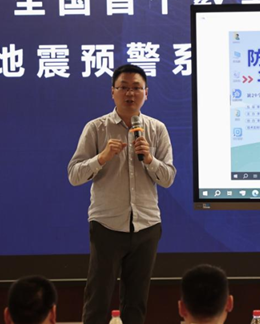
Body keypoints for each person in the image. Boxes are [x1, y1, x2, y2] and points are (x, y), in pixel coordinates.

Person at [68, 64, 177, 324]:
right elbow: (74, 175)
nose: (130, 93)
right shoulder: (96, 128)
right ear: (113, 92)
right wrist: (102, 157)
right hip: (107, 225)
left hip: (147, 225)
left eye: (136, 88)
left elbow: (168, 178)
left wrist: (149, 159)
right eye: (124, 88)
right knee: (98, 299)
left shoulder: (157, 129)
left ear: (146, 93)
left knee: (136, 303)